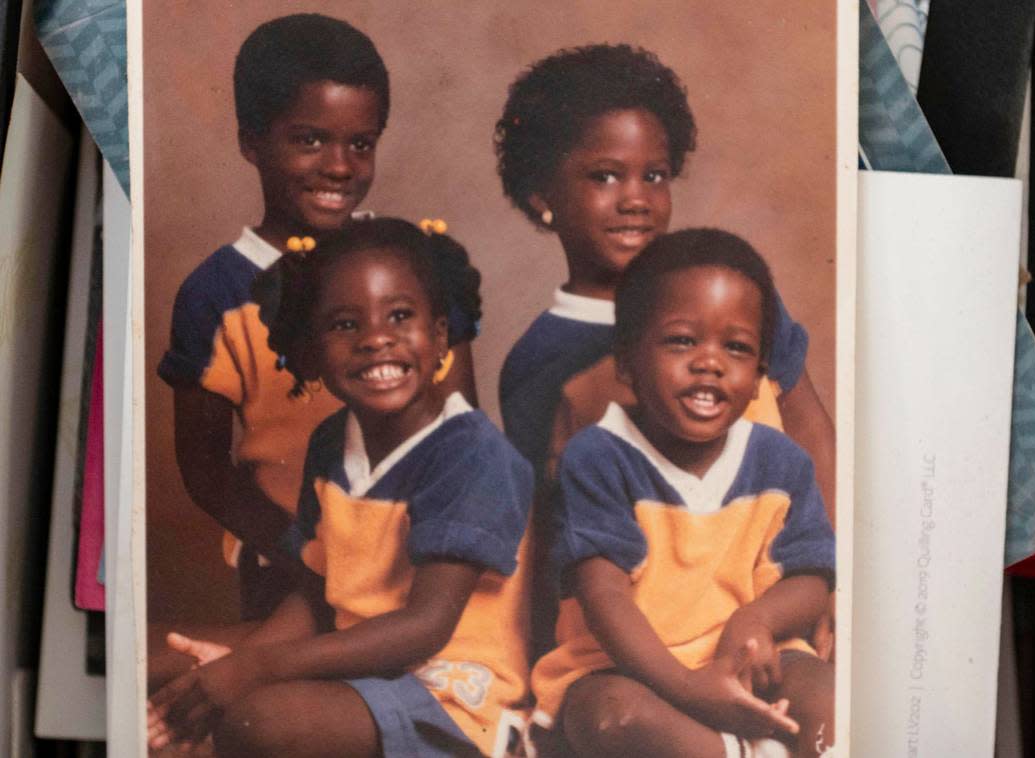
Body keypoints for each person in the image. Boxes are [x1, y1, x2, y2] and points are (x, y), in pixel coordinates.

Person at [493, 43, 836, 656]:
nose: (636, 198)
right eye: (605, 176)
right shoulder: (541, 362)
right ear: (541, 192)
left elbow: (812, 435)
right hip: (648, 634)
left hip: (774, 604)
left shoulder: (737, 294)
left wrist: (835, 583)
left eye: (653, 175)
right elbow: (546, 532)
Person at [148, 218, 532, 758]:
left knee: (260, 722)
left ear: (441, 333)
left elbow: (425, 627)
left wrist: (256, 670)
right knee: (155, 672)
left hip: (448, 690)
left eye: (401, 315)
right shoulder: (333, 442)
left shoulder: (471, 453)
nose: (377, 338)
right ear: (308, 351)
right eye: (345, 324)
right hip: (353, 662)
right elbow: (318, 591)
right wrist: (238, 665)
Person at [157, 13, 480, 620]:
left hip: (418, 562)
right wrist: (303, 551)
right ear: (251, 140)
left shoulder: (413, 265)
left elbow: (463, 429)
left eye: (360, 143)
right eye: (309, 140)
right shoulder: (215, 293)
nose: (339, 166)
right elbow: (205, 472)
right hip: (289, 568)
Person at [531, 229, 835, 758]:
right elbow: (604, 598)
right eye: (681, 341)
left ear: (760, 372)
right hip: (627, 669)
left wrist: (757, 619)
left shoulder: (779, 460)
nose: (709, 363)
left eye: (736, 348)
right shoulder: (598, 458)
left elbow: (810, 576)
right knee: (612, 719)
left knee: (829, 698)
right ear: (626, 364)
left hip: (754, 654)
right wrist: (688, 687)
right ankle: (735, 752)